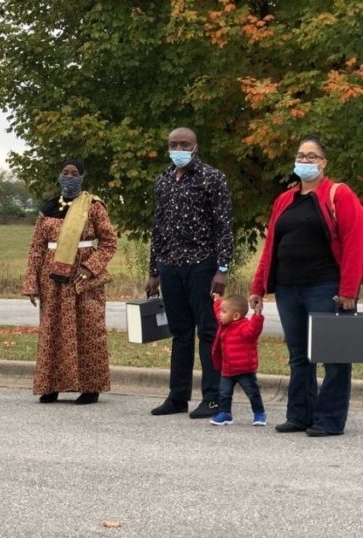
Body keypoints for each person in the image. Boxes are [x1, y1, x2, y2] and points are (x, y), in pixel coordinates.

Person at [249, 136, 363, 437]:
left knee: (333, 355)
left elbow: (355, 244)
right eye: (301, 155)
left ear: (323, 163)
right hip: (288, 289)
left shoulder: (339, 194)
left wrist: (349, 290)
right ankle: (300, 414)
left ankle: (329, 419)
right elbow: (271, 245)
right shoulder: (284, 200)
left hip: (326, 288)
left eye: (312, 157)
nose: (305, 161)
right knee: (299, 355)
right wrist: (258, 286)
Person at [146, 127, 233, 418]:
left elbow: (224, 226)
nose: (179, 149)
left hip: (202, 265)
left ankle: (213, 398)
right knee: (180, 332)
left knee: (208, 331)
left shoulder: (212, 178)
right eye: (173, 144)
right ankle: (177, 396)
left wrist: (222, 269)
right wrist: (153, 270)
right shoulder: (164, 180)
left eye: (185, 144)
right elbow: (157, 228)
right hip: (170, 266)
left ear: (196, 146)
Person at [22, 160, 117, 404]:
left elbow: (109, 243)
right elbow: (36, 247)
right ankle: (51, 385)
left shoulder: (93, 206)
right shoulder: (48, 207)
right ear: (59, 175)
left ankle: (90, 387)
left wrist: (89, 267)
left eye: (75, 173)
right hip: (52, 278)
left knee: (88, 329)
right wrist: (32, 282)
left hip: (82, 278)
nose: (69, 177)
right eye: (65, 173)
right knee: (53, 331)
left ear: (83, 177)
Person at [208, 293, 266, 426]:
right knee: (224, 393)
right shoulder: (225, 324)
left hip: (244, 369)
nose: (220, 314)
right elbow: (218, 312)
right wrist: (217, 301)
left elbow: (254, 330)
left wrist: (257, 315)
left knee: (252, 392)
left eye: (224, 312)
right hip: (227, 369)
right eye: (221, 311)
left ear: (235, 316)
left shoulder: (244, 328)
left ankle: (259, 413)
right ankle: (225, 413)